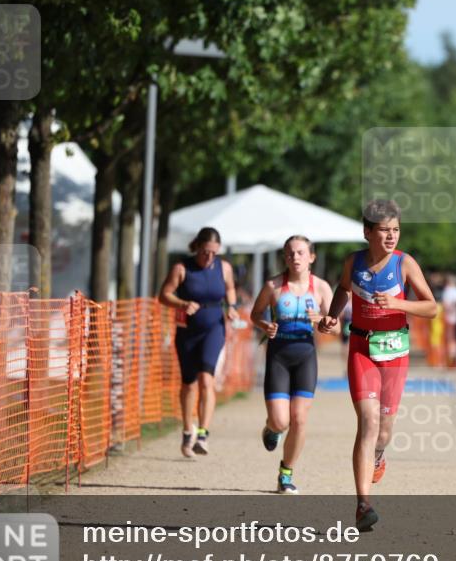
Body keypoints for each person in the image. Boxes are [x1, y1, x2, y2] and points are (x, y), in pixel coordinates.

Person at [318, 199, 437, 531]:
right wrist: (332, 315)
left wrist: (399, 303)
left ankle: (380, 457)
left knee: (383, 431)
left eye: (396, 230)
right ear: (367, 232)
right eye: (384, 230)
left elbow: (431, 307)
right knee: (368, 423)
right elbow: (343, 290)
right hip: (361, 347)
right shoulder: (352, 263)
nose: (391, 237)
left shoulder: (405, 264)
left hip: (395, 351)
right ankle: (362, 505)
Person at [250, 236, 334, 494]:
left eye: (300, 253)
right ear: (284, 258)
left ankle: (286, 473)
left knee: (299, 419)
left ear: (311, 257)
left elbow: (336, 325)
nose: (294, 257)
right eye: (289, 254)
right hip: (278, 357)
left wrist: (321, 319)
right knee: (280, 421)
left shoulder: (320, 288)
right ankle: (271, 428)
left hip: (305, 357)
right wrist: (266, 325)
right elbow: (255, 314)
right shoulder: (273, 286)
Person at [158, 227, 240, 457]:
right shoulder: (182, 268)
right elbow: (164, 295)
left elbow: (230, 289)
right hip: (187, 331)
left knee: (207, 379)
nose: (209, 257)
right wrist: (182, 304)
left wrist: (232, 307)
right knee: (189, 383)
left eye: (214, 253)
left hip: (214, 328)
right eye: (205, 252)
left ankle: (203, 433)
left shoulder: (224, 268)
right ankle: (187, 430)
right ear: (198, 247)